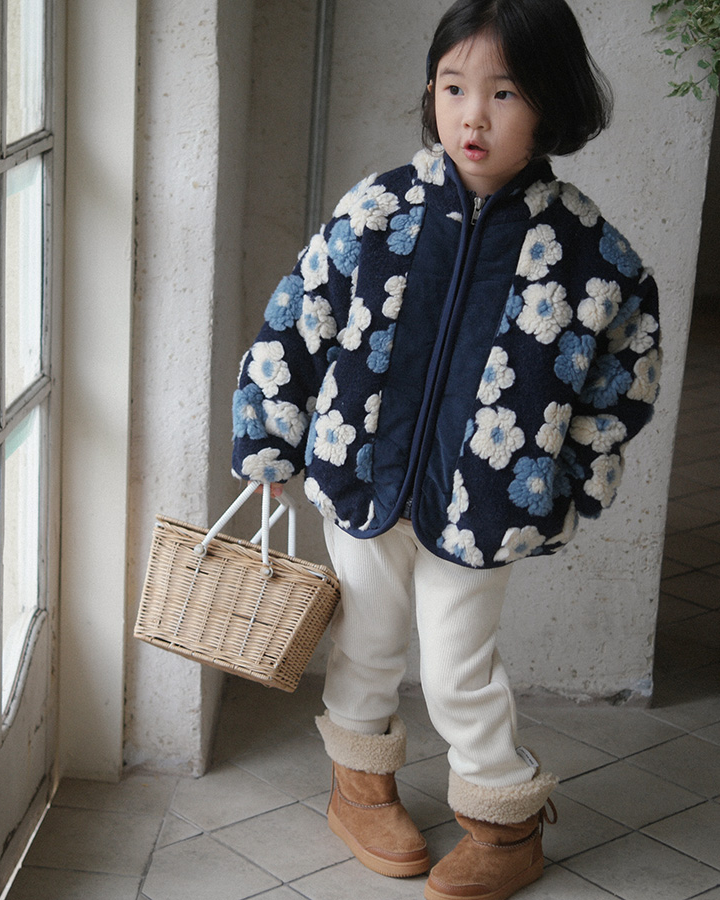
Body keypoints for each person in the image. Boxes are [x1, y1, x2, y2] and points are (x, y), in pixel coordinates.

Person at [231, 1, 660, 898]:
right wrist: (272, 438)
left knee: (460, 667)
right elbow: (299, 318)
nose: (474, 115)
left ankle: (505, 824)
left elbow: (623, 381)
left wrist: (570, 483)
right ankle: (359, 788)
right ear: (430, 91)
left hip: (486, 501)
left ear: (550, 101)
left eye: (504, 93)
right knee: (366, 642)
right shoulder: (379, 208)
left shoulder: (590, 254)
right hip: (361, 475)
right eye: (454, 88)